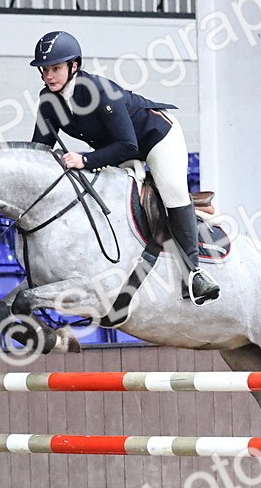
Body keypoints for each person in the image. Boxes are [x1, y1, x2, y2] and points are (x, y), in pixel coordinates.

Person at [28, 30, 220, 306]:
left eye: (55, 68)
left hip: (155, 139)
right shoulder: (48, 101)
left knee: (173, 191)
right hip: (114, 149)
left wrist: (83, 160)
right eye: (44, 70)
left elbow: (128, 146)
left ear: (74, 66)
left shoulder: (100, 92)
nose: (48, 76)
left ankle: (194, 273)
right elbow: (41, 150)